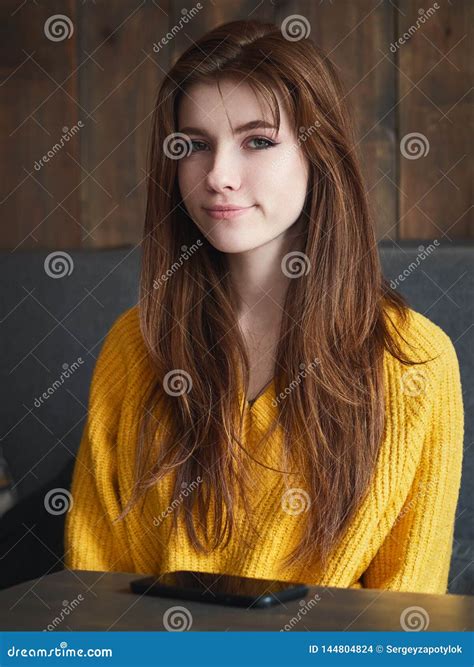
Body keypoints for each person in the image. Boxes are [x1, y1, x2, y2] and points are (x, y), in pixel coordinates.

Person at [64, 19, 464, 594]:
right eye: (196, 145)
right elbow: (90, 594)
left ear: (318, 157)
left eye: (258, 141)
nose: (219, 176)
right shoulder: (136, 344)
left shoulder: (414, 362)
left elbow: (407, 625)